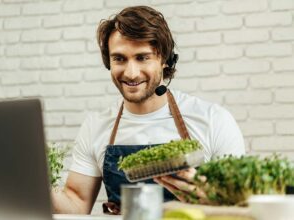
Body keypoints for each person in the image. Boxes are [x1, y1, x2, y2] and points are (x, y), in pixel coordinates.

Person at [51, 5, 245, 214]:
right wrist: (31, 177)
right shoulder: (96, 126)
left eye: (142, 57)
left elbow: (244, 208)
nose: (131, 73)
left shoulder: (213, 120)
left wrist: (214, 201)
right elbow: (76, 205)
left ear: (164, 60)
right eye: (119, 58)